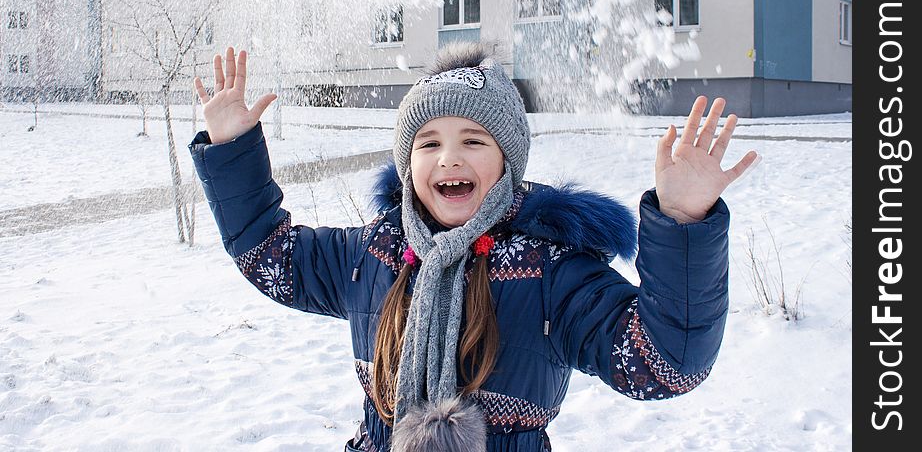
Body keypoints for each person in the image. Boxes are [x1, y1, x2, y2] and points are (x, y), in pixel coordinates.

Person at [189, 44, 758, 452]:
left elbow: (663, 362)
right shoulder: (375, 253)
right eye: (428, 142)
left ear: (508, 162)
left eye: (473, 141)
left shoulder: (549, 271)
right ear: (408, 164)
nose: (447, 159)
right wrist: (233, 147)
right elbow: (270, 254)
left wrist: (683, 222)